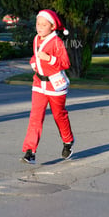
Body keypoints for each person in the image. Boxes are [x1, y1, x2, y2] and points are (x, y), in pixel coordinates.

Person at [22, 9, 74, 164]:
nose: (40, 27)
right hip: (39, 84)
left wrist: (49, 59)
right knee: (35, 117)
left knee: (59, 115)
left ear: (52, 27)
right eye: (38, 23)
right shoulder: (36, 38)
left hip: (55, 86)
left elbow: (65, 63)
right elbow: (36, 56)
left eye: (44, 24)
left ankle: (68, 142)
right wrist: (33, 62)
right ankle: (30, 152)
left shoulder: (57, 42)